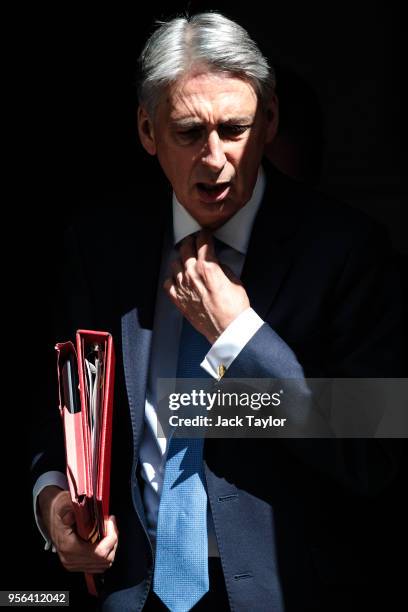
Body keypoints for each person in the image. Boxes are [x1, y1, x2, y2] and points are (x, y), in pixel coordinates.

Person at [30, 12, 404, 612]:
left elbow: (374, 449)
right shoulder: (100, 244)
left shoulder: (346, 251)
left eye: (235, 129)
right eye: (187, 133)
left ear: (271, 122)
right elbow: (65, 408)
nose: (216, 158)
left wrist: (241, 338)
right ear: (147, 131)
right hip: (131, 592)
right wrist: (52, 502)